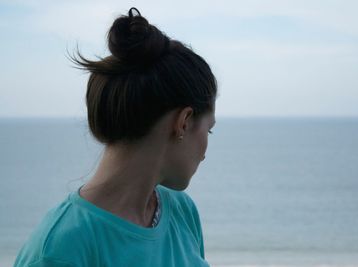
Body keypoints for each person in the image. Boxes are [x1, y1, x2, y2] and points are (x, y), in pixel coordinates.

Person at [14, 7, 217, 267]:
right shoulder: (59, 251)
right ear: (184, 122)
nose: (205, 152)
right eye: (208, 130)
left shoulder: (182, 212)